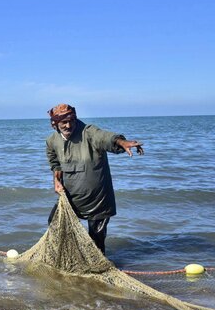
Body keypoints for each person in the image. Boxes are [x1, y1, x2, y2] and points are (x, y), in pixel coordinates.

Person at [45, 103, 143, 254]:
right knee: (54, 224)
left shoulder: (88, 132)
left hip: (98, 199)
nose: (68, 125)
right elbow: (55, 163)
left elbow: (105, 137)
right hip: (70, 197)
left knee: (97, 239)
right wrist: (56, 181)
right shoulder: (52, 141)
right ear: (54, 124)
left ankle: (96, 269)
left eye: (71, 120)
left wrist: (122, 142)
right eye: (63, 122)